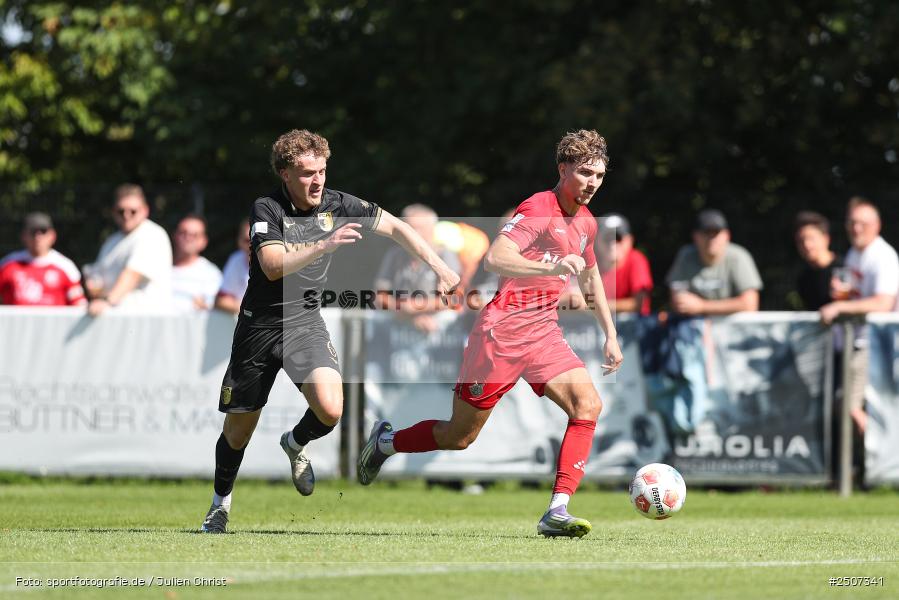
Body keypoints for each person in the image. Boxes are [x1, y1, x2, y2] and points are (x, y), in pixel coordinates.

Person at [357, 129, 623, 538]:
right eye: (585, 172)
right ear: (563, 168)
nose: (592, 183)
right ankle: (387, 443)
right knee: (458, 436)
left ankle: (557, 509)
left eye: (600, 175)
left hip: (543, 333)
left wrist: (609, 333)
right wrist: (551, 268)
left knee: (587, 406)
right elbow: (498, 257)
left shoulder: (586, 222)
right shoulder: (538, 208)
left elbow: (591, 279)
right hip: (500, 334)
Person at [200, 129, 459, 533]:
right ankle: (220, 506)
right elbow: (271, 266)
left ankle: (295, 443)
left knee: (331, 408)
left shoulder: (339, 202)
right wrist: (325, 243)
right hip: (259, 326)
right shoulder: (266, 208)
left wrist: (439, 267)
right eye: (306, 173)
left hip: (304, 323)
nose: (317, 180)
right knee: (237, 432)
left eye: (321, 170)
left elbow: (396, 227)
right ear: (285, 174)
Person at [819, 197, 899, 435]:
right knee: (846, 405)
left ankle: (886, 455)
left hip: (880, 344)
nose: (856, 229)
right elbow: (856, 295)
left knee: (850, 406)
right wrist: (842, 297)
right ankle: (865, 463)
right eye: (852, 223)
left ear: (877, 225)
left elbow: (884, 303)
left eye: (863, 223)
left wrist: (840, 308)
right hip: (858, 341)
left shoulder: (883, 256)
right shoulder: (855, 253)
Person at [374, 204, 461, 332]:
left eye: (419, 228)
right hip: (398, 318)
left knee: (448, 317)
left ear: (432, 229)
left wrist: (416, 307)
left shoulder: (446, 255)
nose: (413, 234)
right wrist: (404, 310)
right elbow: (379, 295)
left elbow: (453, 299)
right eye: (409, 229)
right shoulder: (394, 255)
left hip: (436, 323)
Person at [87, 184, 172, 316]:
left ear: (145, 210)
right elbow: (97, 280)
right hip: (116, 319)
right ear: (114, 212)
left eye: (133, 211)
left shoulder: (152, 234)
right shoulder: (112, 241)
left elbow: (132, 275)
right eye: (121, 211)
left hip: (144, 319)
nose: (126, 215)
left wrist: (106, 302)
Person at [665, 209, 762, 315]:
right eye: (706, 233)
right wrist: (681, 303)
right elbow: (676, 299)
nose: (711, 239)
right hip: (694, 328)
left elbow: (750, 304)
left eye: (716, 233)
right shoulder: (685, 255)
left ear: (727, 236)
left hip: (733, 329)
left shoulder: (739, 257)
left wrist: (702, 306)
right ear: (695, 236)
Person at [0, 212, 85, 306]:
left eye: (43, 231)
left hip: (54, 321)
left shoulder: (65, 266)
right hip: (15, 321)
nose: (38, 237)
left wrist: (96, 306)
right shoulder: (8, 264)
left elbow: (79, 304)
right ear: (24, 236)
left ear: (52, 236)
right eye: (33, 232)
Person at [171, 214, 223, 313]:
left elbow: (216, 311)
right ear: (175, 235)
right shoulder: (159, 267)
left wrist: (206, 307)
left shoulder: (211, 274)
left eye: (194, 235)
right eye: (183, 233)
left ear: (204, 242)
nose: (188, 238)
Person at [794, 211, 841, 311]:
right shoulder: (803, 278)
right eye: (801, 240)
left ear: (826, 239)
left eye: (811, 238)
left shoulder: (845, 268)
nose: (807, 245)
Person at [215, 218, 251, 314]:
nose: (252, 245)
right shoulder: (236, 260)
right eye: (247, 240)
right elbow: (221, 300)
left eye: (257, 239)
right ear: (239, 241)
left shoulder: (280, 262)